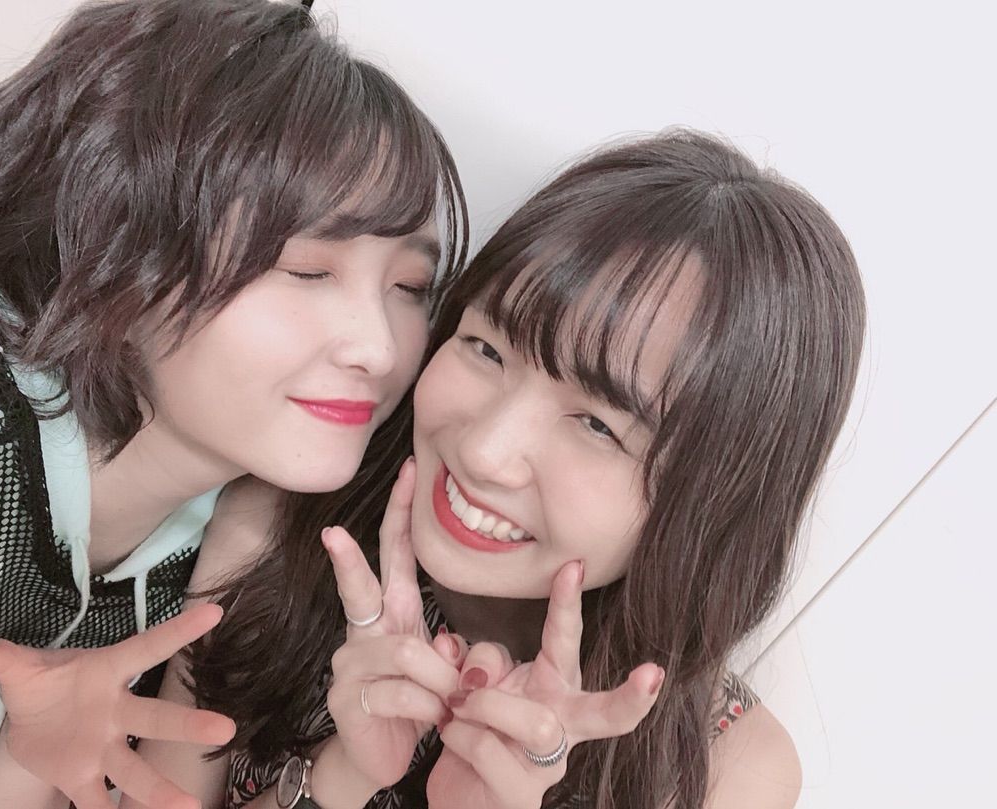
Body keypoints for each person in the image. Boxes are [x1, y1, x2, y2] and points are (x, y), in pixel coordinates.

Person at [143, 129, 864, 808]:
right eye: (487, 348)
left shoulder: (723, 767)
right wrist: (340, 777)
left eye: (598, 425)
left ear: (713, 503)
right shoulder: (284, 525)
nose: (484, 451)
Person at [0, 1, 467, 807]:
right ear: (120, 235)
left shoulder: (262, 530)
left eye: (410, 286)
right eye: (308, 271)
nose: (379, 349)